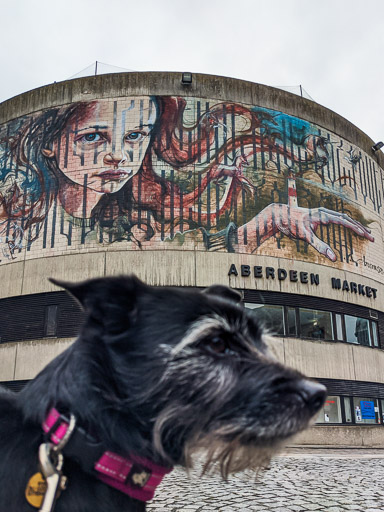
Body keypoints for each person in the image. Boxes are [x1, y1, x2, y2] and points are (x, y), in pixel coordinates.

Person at [0, 96, 374, 259]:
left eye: (135, 136)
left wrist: (272, 218)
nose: (118, 155)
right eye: (92, 136)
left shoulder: (134, 217)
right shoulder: (17, 223)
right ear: (49, 143)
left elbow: (211, 247)